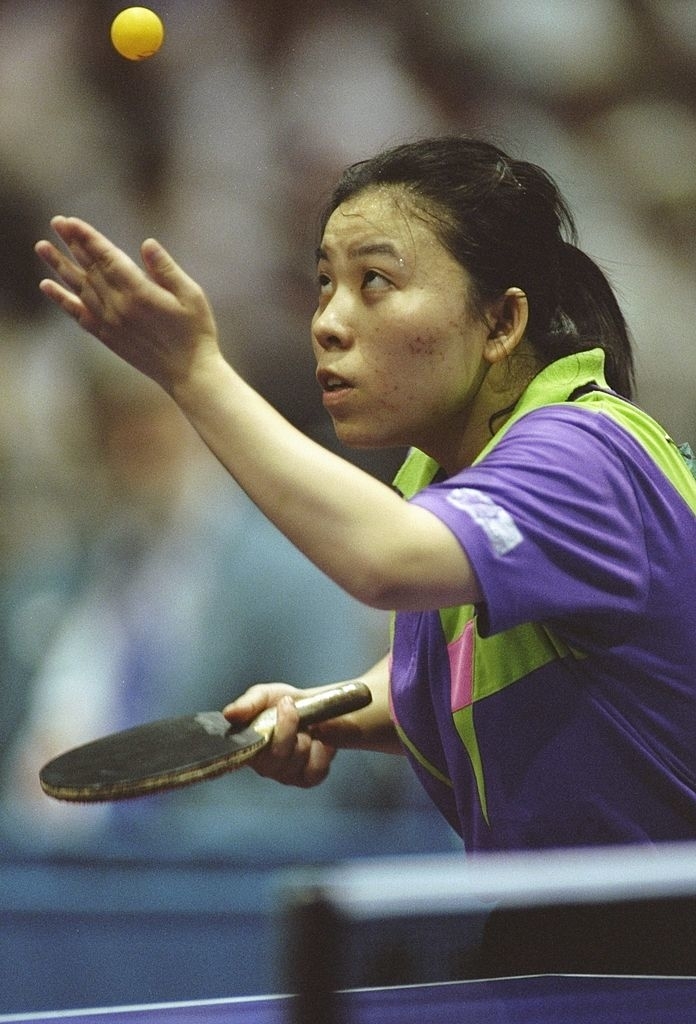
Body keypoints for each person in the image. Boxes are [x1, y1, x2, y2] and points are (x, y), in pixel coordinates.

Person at [35, 136, 696, 868]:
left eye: (375, 281)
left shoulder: (581, 455)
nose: (328, 322)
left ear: (501, 323)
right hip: (563, 937)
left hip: (662, 945)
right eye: (324, 283)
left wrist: (194, 374)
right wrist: (338, 707)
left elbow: (384, 561)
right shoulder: (442, 479)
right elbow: (466, 657)